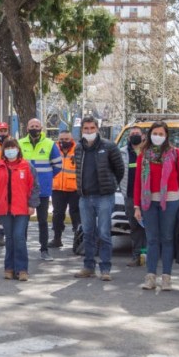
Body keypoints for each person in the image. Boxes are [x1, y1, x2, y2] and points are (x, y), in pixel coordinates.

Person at [133, 122, 179, 291]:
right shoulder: (143, 155)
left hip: (171, 201)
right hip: (148, 202)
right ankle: (150, 277)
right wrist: (137, 206)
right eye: (155, 133)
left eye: (161, 133)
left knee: (167, 239)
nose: (157, 136)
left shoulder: (175, 154)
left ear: (166, 136)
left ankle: (166, 277)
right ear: (149, 134)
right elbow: (137, 181)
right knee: (152, 239)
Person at [73, 116, 125, 281]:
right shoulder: (79, 147)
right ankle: (88, 267)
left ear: (97, 129)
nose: (89, 131)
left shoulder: (109, 146)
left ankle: (105, 269)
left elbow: (120, 169)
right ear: (82, 130)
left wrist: (111, 185)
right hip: (85, 197)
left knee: (104, 233)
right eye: (86, 129)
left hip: (104, 197)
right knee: (88, 233)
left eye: (92, 128)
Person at [0, 139, 40, 281]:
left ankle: (22, 269)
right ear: (3, 150)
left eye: (13, 147)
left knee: (19, 237)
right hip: (4, 209)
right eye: (7, 148)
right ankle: (9, 268)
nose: (10, 150)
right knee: (9, 239)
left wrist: (32, 204)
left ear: (18, 149)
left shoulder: (27, 166)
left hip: (22, 209)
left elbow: (34, 186)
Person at [18, 118, 62, 261]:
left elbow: (57, 166)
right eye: (32, 126)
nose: (34, 128)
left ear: (41, 128)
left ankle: (44, 250)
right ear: (27, 128)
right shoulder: (19, 143)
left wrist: (47, 177)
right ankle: (21, 249)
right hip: (24, 190)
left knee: (42, 221)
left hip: (43, 190)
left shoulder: (50, 144)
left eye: (37, 126)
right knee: (22, 221)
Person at [119, 126, 147, 266]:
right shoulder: (122, 152)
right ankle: (136, 256)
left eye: (137, 133)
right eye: (132, 134)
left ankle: (148, 255)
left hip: (149, 196)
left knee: (149, 226)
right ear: (128, 138)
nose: (134, 136)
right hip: (130, 196)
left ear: (143, 136)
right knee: (135, 226)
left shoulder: (149, 152)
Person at [49, 129, 80, 249]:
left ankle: (77, 240)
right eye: (61, 139)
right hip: (57, 188)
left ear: (71, 139)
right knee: (57, 214)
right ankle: (57, 239)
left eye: (66, 139)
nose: (63, 142)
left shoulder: (78, 150)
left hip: (74, 189)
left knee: (76, 215)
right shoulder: (53, 150)